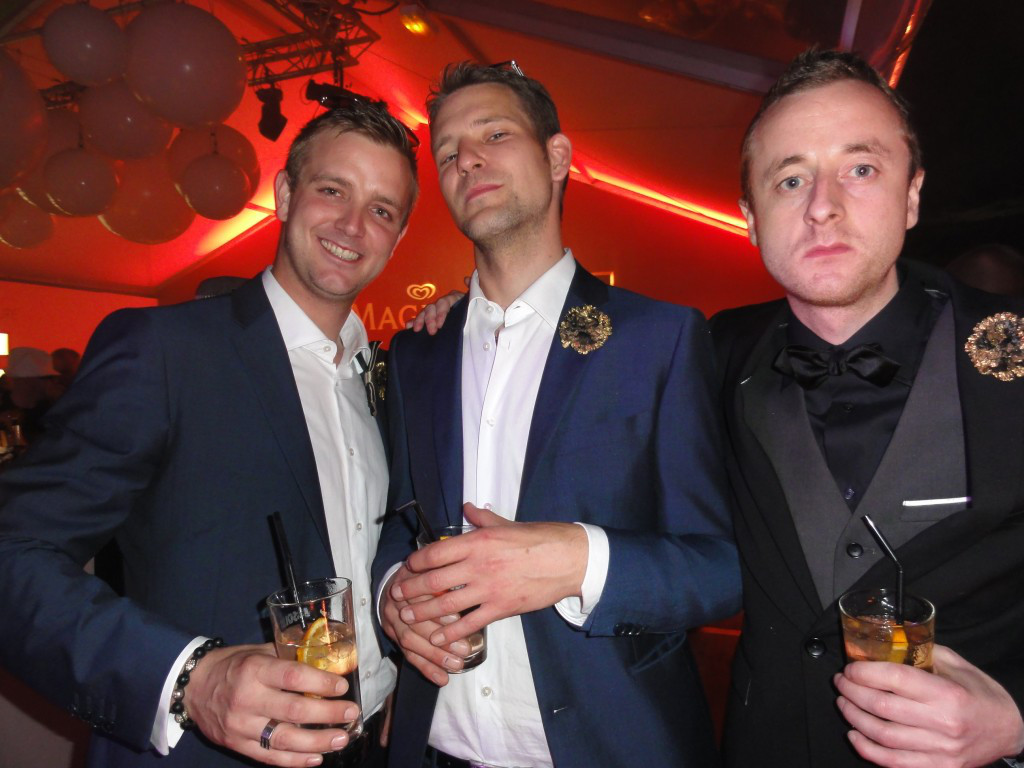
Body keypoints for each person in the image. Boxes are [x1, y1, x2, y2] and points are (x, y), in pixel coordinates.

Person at [0, 98, 419, 768]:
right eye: (332, 190)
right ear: (285, 195)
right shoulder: (167, 351)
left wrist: (391, 668)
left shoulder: (386, 380)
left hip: (366, 747)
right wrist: (188, 679)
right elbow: (14, 551)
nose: (352, 224)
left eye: (382, 209)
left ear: (397, 238)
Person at [371, 61, 740, 768]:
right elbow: (396, 520)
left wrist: (578, 561)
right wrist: (393, 595)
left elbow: (721, 567)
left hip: (611, 747)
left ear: (558, 156)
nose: (466, 159)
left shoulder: (659, 338)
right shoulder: (416, 353)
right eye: (447, 153)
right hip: (436, 747)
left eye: (494, 135)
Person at [710, 49, 1024, 767]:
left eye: (860, 169)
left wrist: (1016, 721)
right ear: (751, 218)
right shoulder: (712, 353)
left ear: (912, 195)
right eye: (791, 179)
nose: (822, 205)